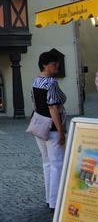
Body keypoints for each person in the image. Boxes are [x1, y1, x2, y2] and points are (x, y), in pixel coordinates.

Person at [31, 51, 67, 211]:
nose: (57, 66)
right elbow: (53, 107)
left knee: (47, 163)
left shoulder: (36, 80)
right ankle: (55, 201)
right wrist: (60, 131)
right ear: (45, 65)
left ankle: (48, 198)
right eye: (54, 63)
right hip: (51, 128)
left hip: (39, 125)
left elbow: (35, 103)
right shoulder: (51, 82)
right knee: (56, 164)